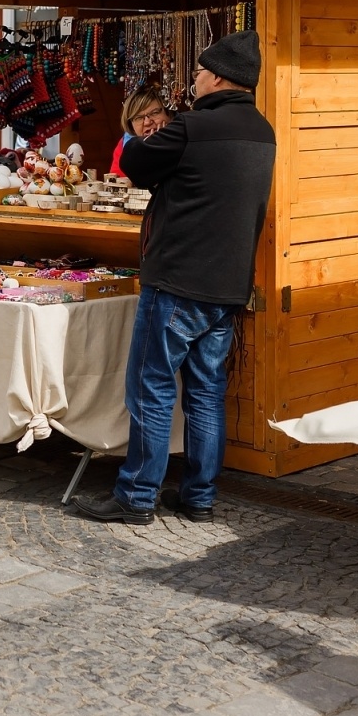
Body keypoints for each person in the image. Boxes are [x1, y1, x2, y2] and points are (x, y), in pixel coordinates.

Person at [73, 30, 275, 525]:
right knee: (206, 392)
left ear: (220, 77)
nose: (195, 81)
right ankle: (198, 497)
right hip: (228, 285)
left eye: (200, 72)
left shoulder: (192, 127)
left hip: (178, 281)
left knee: (152, 388)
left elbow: (137, 162)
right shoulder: (262, 130)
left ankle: (137, 496)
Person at [109, 89, 173, 176]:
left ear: (169, 114)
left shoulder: (187, 138)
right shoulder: (125, 145)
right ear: (131, 126)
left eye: (154, 113)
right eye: (138, 118)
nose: (147, 122)